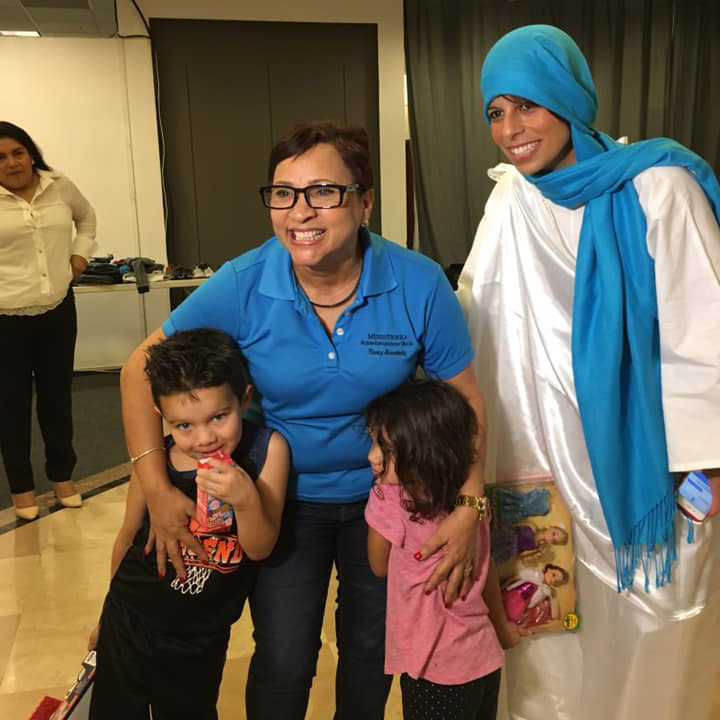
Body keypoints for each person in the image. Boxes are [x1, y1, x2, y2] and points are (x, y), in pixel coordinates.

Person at [119, 122, 490, 720]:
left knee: (370, 646)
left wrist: (471, 503)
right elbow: (139, 367)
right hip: (280, 496)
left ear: (365, 200)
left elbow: (466, 401)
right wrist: (156, 486)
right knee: (286, 653)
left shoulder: (416, 282)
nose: (299, 212)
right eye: (283, 193)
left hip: (387, 495)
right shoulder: (245, 282)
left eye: (323, 191)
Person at [456, 24, 720, 720]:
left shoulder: (659, 186)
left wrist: (708, 469)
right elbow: (476, 318)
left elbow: (705, 330)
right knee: (548, 630)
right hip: (541, 461)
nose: (510, 129)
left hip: (648, 460)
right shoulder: (511, 199)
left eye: (526, 105)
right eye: (495, 112)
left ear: (567, 99)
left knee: (658, 618)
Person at [89, 328, 289, 720]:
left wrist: (245, 498)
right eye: (184, 426)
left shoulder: (268, 451)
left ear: (244, 399)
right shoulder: (157, 462)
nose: (204, 438)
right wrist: (104, 617)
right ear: (162, 419)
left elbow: (261, 547)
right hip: (130, 618)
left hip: (201, 635)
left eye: (219, 417)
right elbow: (127, 537)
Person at [364, 379, 504, 720]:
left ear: (424, 450)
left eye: (386, 449)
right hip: (484, 658)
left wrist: (379, 497)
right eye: (372, 443)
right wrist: (504, 630)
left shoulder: (392, 500)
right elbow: (488, 573)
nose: (373, 457)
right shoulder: (470, 510)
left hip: (433, 669)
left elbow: (378, 565)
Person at [0, 121, 96, 520]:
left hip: (57, 308)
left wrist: (80, 257)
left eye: (17, 152)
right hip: (5, 317)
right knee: (11, 405)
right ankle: (22, 488)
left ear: (30, 152)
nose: (11, 163)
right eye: (0, 158)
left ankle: (62, 477)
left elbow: (86, 218)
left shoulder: (58, 185)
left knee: (57, 399)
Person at [501, 564, 568, 630]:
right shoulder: (535, 575)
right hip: (513, 595)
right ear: (549, 569)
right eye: (553, 575)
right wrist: (503, 587)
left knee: (510, 617)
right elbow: (516, 578)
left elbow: (534, 604)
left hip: (522, 606)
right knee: (502, 606)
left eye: (556, 581)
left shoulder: (545, 591)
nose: (553, 580)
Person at [491, 523, 568, 566]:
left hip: (509, 550)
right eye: (554, 533)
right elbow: (515, 525)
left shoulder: (536, 548)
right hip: (506, 536)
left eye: (554, 541)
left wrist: (536, 552)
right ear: (551, 527)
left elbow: (521, 555)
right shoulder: (532, 526)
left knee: (491, 556)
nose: (551, 537)